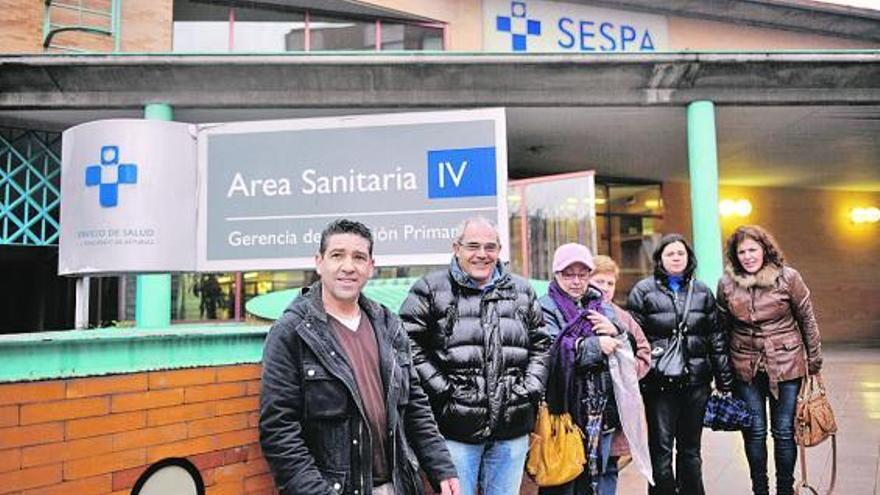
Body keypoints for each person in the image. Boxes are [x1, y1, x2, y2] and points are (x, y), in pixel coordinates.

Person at [259, 219, 460, 495]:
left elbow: (415, 405)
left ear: (370, 266)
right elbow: (279, 430)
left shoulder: (389, 324)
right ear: (319, 262)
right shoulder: (292, 332)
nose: (348, 266)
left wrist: (441, 465)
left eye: (359, 257)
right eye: (337, 255)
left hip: (398, 484)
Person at [398, 216, 551, 495]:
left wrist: (529, 388)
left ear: (500, 250)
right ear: (456, 248)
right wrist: (445, 391)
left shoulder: (522, 290)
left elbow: (541, 344)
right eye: (473, 246)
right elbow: (406, 345)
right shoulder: (430, 289)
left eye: (490, 247)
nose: (482, 254)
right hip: (454, 426)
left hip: (512, 426)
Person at [717, 225, 823, 495]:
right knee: (753, 431)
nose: (748, 256)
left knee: (784, 432)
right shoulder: (727, 283)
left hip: (786, 364)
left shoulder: (789, 278)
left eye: (753, 249)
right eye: (742, 251)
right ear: (734, 255)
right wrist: (723, 371)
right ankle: (760, 489)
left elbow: (806, 319)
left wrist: (814, 361)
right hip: (745, 365)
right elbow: (722, 328)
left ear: (765, 249)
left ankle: (785, 490)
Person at [539, 246, 651, 495]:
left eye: (582, 274)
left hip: (601, 411)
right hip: (565, 412)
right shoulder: (544, 307)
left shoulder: (602, 305)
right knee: (564, 480)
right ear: (556, 273)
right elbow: (550, 350)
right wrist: (595, 345)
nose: (576, 281)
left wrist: (617, 333)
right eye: (568, 274)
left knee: (598, 478)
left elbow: (629, 347)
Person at [626, 233, 733, 495]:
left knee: (690, 451)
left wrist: (724, 380)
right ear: (660, 258)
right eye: (670, 253)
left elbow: (715, 337)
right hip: (658, 385)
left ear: (689, 258)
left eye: (681, 253)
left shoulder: (702, 291)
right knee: (660, 450)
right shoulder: (643, 290)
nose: (676, 258)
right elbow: (633, 338)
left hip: (696, 383)